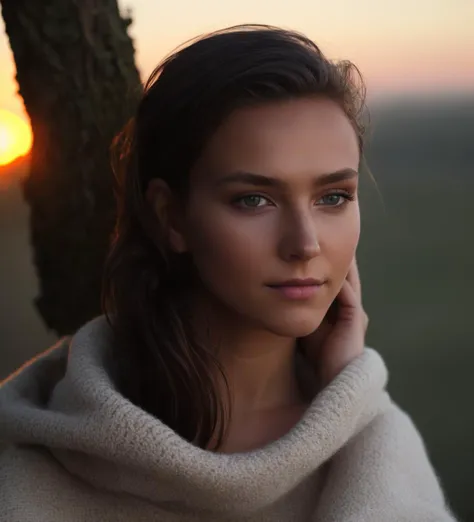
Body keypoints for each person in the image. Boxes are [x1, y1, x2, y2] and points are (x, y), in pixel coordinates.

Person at [0, 24, 456, 521]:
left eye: (333, 197)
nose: (304, 244)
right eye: (254, 199)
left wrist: (352, 400)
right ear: (171, 218)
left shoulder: (384, 448)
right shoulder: (32, 469)